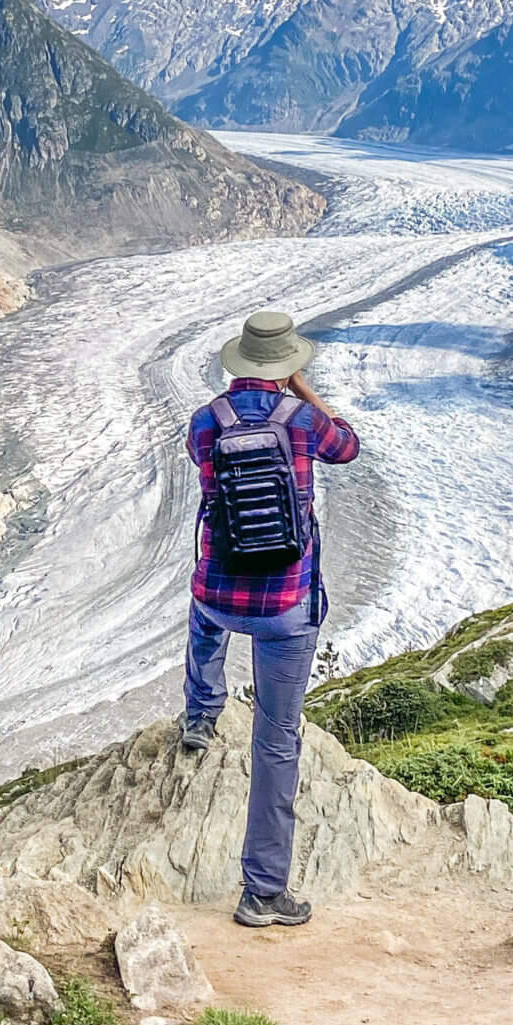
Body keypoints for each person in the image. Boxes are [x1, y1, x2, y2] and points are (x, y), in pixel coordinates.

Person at [181, 308, 361, 929]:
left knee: (202, 610)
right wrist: (303, 390)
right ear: (286, 365)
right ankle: (262, 891)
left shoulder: (206, 421)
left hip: (221, 595)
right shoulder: (306, 421)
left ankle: (200, 713)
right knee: (277, 741)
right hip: (287, 605)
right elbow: (349, 447)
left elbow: (205, 475)